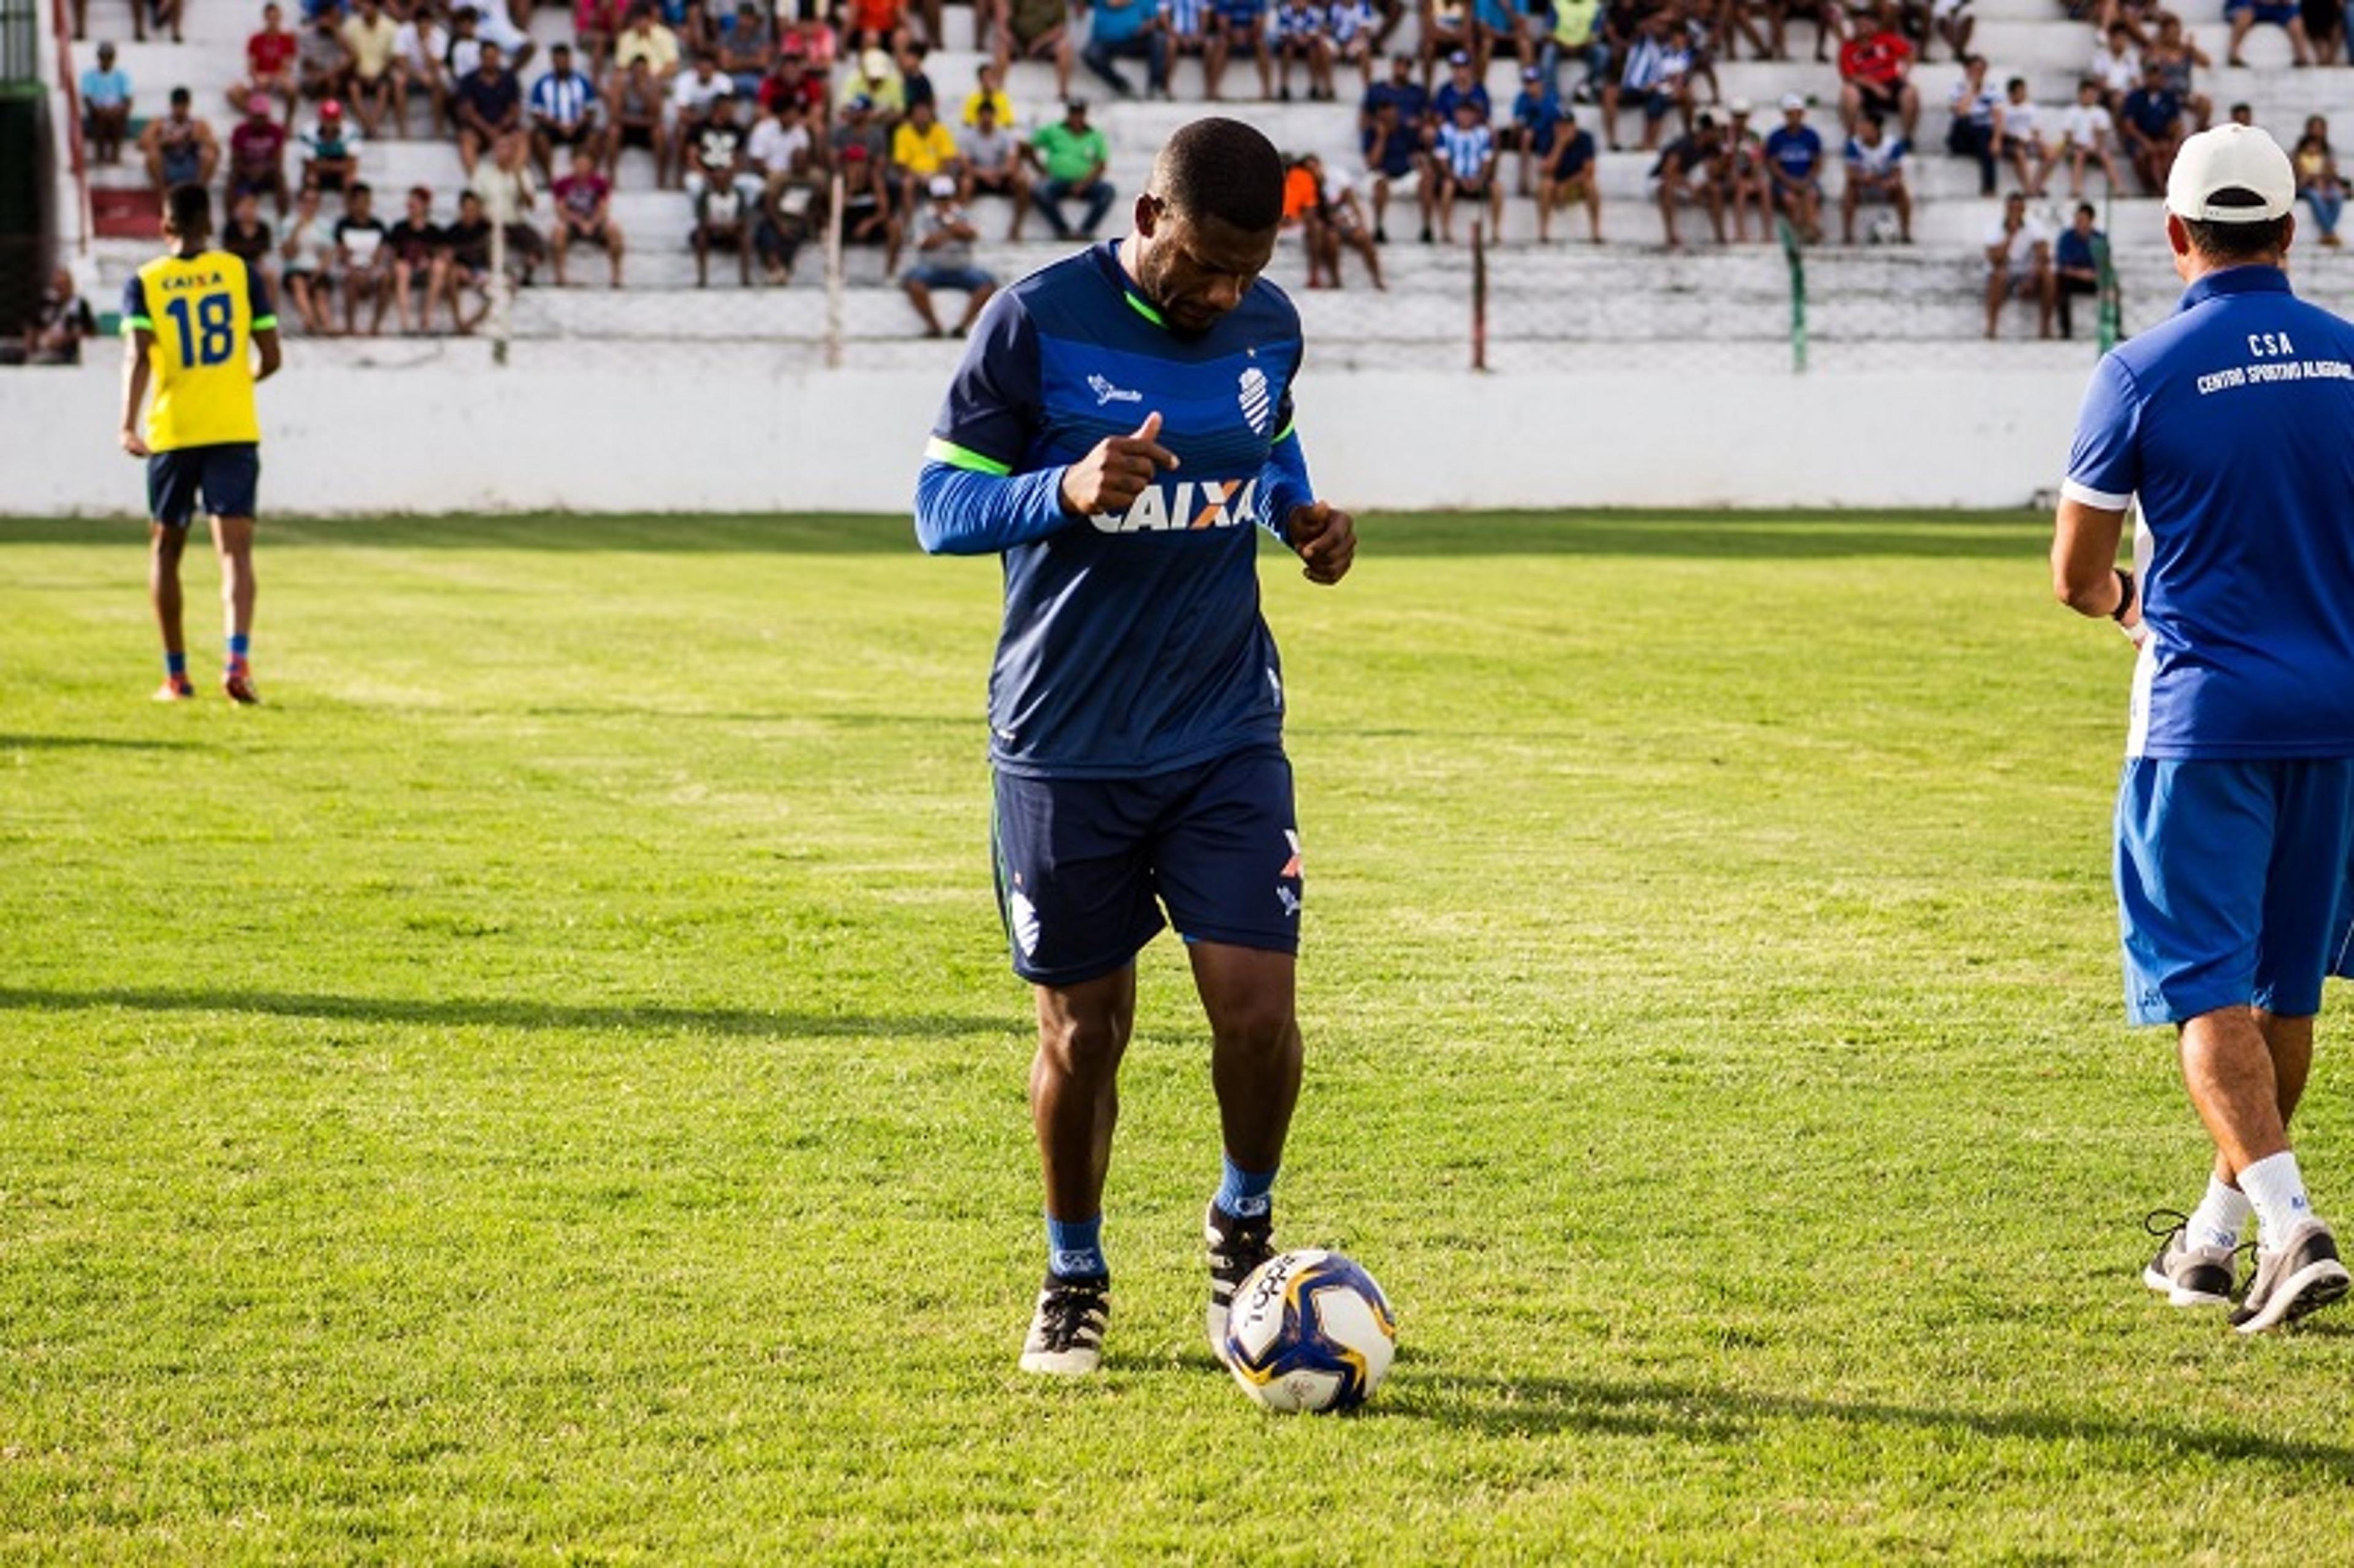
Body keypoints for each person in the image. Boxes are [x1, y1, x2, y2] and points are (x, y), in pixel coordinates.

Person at [912, 116, 1356, 1379]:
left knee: (1259, 1011)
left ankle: (1242, 1226)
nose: (1223, 292)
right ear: (1150, 216)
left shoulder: (1269, 323)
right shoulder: (1035, 320)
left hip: (1222, 730)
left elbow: (1265, 439)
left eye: (1247, 267)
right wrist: (1058, 489)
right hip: (1065, 742)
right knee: (1084, 1032)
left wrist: (1299, 517)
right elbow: (938, 505)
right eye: (1204, 263)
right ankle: (1073, 1273)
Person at [2054, 123, 2354, 1336]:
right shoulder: (2350, 359)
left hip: (2204, 717)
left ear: (2175, 234)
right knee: (2287, 997)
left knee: (2204, 991)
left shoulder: (2140, 371)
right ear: (2292, 232)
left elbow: (2077, 576)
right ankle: (2210, 1245)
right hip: (2338, 718)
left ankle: (2293, 1230)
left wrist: (2133, 609)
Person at [118, 185, 283, 706]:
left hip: (173, 432)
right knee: (235, 553)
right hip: (232, 429)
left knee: (166, 551)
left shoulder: (145, 281)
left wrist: (127, 424)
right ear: (209, 224)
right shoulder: (240, 273)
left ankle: (177, 677)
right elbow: (273, 356)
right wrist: (240, 381)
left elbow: (138, 356)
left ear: (165, 227)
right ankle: (236, 661)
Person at [902, 175, 997, 335]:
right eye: (939, 198)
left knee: (988, 285)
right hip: (931, 268)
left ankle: (962, 327)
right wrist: (953, 231)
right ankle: (934, 327)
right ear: (932, 197)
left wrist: (945, 225)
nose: (943, 202)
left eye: (946, 197)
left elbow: (972, 234)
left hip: (963, 268)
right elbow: (924, 244)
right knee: (913, 282)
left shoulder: (963, 213)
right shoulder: (922, 215)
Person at [1029, 98, 1116, 240]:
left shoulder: (1095, 136)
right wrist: (1040, 169)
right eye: (1073, 113)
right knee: (1040, 191)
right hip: (1057, 180)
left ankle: (1086, 231)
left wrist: (1085, 184)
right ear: (1068, 114)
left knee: (1108, 191)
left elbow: (1101, 165)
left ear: (1084, 114)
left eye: (1079, 113)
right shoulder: (1053, 130)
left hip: (1086, 183)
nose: (1076, 117)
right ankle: (1062, 230)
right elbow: (1029, 146)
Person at [552, 147, 627, 285]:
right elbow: (561, 210)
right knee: (558, 232)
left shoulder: (600, 183)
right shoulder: (561, 184)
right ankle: (560, 277)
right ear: (573, 164)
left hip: (595, 221)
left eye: (585, 164)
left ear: (591, 165)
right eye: (578, 164)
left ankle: (617, 277)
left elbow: (603, 209)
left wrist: (592, 223)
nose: (581, 168)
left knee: (615, 231)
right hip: (572, 222)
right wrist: (580, 222)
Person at [958, 97, 1031, 239]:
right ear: (978, 117)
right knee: (965, 184)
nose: (986, 119)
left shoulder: (1005, 136)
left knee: (1022, 181)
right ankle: (963, 225)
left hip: (1001, 178)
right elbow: (965, 165)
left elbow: (1012, 164)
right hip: (978, 177)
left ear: (994, 116)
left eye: (989, 115)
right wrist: (984, 175)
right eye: (983, 115)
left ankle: (1016, 226)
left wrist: (997, 174)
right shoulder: (967, 137)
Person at [531, 42, 606, 178]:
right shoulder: (542, 83)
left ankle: (588, 176)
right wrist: (558, 126)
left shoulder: (582, 82)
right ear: (553, 61)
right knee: (538, 137)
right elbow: (537, 113)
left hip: (577, 125)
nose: (561, 63)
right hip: (552, 127)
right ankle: (550, 178)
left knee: (595, 136)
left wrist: (576, 125)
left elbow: (590, 110)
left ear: (569, 60)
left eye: (563, 60)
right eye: (557, 60)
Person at [1983, 188, 2051, 337]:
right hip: (2002, 271)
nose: (2015, 212)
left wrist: (2032, 277)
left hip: (2026, 271)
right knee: (1998, 275)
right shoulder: (1994, 228)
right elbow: (1995, 260)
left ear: (2024, 210)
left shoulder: (2034, 226)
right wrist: (2010, 236)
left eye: (2018, 208)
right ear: (2006, 209)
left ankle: (2045, 328)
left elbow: (2044, 255)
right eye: (2011, 208)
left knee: (2048, 275)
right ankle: (1991, 328)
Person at [1433, 95, 1502, 243]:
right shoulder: (1446, 131)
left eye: (1469, 112)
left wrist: (1480, 178)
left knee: (1497, 187)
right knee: (1447, 186)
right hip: (1454, 179)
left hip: (1477, 178)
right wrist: (1457, 179)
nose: (1465, 116)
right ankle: (1446, 230)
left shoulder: (1483, 133)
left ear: (1475, 115)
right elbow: (1442, 161)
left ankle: (1496, 231)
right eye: (1462, 112)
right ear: (1456, 113)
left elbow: (1487, 161)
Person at [1652, 109, 1726, 247]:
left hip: (1686, 180)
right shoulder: (1684, 144)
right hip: (1660, 179)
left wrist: (1725, 159)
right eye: (1716, 130)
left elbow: (1715, 173)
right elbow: (1668, 172)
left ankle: (1720, 235)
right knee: (1666, 189)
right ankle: (1671, 235)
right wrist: (1690, 187)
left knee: (1715, 189)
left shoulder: (1712, 148)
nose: (1719, 134)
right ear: (1707, 131)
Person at [384, 185, 448, 332]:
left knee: (439, 267)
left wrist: (428, 262)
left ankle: (427, 318)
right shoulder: (399, 228)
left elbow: (441, 254)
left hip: (426, 272)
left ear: (425, 205)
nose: (411, 204)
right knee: (402, 268)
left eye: (416, 201)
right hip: (404, 271)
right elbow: (392, 254)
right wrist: (403, 262)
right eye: (410, 200)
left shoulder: (434, 231)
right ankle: (405, 323)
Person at [1840, 112, 1910, 243]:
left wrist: (1891, 182)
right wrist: (1866, 179)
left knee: (1901, 189)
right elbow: (1850, 173)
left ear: (1875, 127)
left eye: (1864, 125)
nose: (1860, 128)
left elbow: (1897, 173)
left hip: (1884, 187)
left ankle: (1906, 234)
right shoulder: (1854, 145)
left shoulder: (1892, 145)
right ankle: (1848, 235)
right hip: (1863, 187)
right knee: (1850, 188)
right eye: (1860, 124)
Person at [2051, 76, 2124, 200]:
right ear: (2080, 94)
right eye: (2088, 94)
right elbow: (2068, 137)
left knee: (2105, 155)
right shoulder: (2072, 112)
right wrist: (2082, 146)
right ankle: (2076, 189)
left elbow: (2101, 136)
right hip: (2076, 148)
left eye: (2093, 94)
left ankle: (2118, 188)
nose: (2091, 97)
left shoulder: (2101, 113)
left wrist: (2095, 147)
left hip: (2095, 148)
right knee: (2080, 155)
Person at [333, 181, 392, 334]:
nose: (363, 205)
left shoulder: (378, 225)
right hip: (350, 267)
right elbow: (342, 253)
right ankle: (350, 326)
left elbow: (380, 253)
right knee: (351, 278)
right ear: (352, 203)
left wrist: (369, 272)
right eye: (359, 201)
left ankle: (375, 326)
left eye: (367, 201)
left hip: (371, 267)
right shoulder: (343, 225)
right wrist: (355, 270)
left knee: (386, 279)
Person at [278, 186, 338, 334]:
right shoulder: (288, 223)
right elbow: (288, 254)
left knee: (320, 293)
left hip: (317, 269)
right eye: (306, 201)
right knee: (299, 284)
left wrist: (319, 272)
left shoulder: (324, 225)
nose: (309, 206)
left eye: (313, 202)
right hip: (295, 268)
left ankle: (327, 325)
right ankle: (310, 322)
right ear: (299, 203)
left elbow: (329, 253)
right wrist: (297, 229)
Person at [1764, 96, 1823, 243]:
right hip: (1784, 181)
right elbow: (1773, 166)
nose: (1794, 117)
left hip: (1806, 179)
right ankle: (1803, 232)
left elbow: (1817, 163)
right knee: (1790, 200)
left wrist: (1807, 180)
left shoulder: (1812, 136)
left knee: (1812, 195)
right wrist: (1789, 182)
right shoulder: (1776, 137)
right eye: (1791, 113)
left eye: (1797, 113)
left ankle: (1809, 230)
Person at [1537, 105, 1601, 242]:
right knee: (1545, 185)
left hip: (1574, 186)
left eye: (1568, 125)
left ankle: (1596, 232)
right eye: (1561, 125)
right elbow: (1546, 170)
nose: (1564, 128)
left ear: (1574, 126)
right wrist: (1559, 145)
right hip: (1554, 186)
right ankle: (1544, 232)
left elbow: (1589, 171)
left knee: (1591, 186)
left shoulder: (1585, 139)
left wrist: (1566, 185)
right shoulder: (1548, 139)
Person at [140, 88, 219, 197]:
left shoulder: (199, 124)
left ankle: (198, 193)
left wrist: (197, 139)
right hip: (168, 163)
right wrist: (164, 142)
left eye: (183, 106)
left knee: (209, 155)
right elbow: (142, 144)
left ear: (189, 105)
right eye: (178, 105)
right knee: (152, 155)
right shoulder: (160, 122)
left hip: (190, 163)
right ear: (172, 105)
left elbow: (216, 148)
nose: (181, 110)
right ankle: (163, 194)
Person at [1084, 0, 1171, 96]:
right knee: (1091, 54)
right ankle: (1122, 86)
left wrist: (1147, 26)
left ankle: (1155, 88)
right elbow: (1112, 3)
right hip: (1105, 41)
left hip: (1133, 40)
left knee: (1159, 38)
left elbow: (1155, 19)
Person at [228, 94, 292, 218]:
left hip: (268, 171)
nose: (259, 120)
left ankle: (284, 218)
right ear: (250, 116)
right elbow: (235, 159)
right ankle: (230, 219)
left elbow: (278, 160)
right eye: (256, 117)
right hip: (246, 170)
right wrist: (248, 170)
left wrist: (264, 169)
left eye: (263, 117)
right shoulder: (240, 131)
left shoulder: (276, 131)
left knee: (280, 177)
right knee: (232, 177)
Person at [24, 268, 100, 365]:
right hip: (43, 346)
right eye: (58, 286)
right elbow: (32, 326)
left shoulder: (80, 305)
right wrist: (31, 346)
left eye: (64, 285)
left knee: (38, 362)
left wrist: (68, 338)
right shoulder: (46, 302)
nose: (60, 289)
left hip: (66, 352)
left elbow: (92, 332)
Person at [2051, 200, 2105, 337]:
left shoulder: (2100, 239)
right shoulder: (2067, 238)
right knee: (2061, 284)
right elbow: (2062, 266)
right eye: (2077, 219)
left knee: (2112, 286)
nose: (2078, 223)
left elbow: (2105, 265)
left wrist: (2095, 275)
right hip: (2073, 278)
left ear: (2091, 221)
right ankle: (2066, 330)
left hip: (2093, 279)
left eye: (2082, 220)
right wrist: (2081, 274)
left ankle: (2115, 326)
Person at [2293, 115, 2343, 249]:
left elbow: (2332, 173)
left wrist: (2323, 178)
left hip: (2325, 185)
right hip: (2305, 187)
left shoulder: (2328, 152)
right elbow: (2299, 175)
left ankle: (2327, 232)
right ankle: (2330, 232)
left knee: (2338, 195)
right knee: (2315, 195)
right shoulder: (2298, 154)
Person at [81, 42, 134, 167]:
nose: (106, 60)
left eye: (109, 57)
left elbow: (128, 99)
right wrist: (101, 111)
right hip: (98, 113)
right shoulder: (89, 76)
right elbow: (87, 99)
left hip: (116, 113)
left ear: (114, 58)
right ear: (99, 57)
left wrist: (117, 111)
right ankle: (99, 155)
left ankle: (115, 155)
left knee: (118, 118)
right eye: (103, 56)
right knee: (101, 118)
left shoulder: (122, 76)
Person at [2225, 0, 2314, 67]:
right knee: (2244, 15)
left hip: (2277, 6)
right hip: (2249, 5)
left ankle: (2301, 57)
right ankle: (2233, 55)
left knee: (2296, 21)